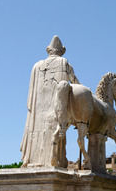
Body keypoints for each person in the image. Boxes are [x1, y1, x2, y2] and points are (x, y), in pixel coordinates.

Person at [20, 36, 80, 168]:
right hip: (56, 109)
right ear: (62, 51)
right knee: (56, 132)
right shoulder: (64, 63)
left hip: (37, 112)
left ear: (49, 50)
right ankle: (54, 160)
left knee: (38, 132)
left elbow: (31, 94)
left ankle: (31, 160)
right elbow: (76, 85)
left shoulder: (36, 66)